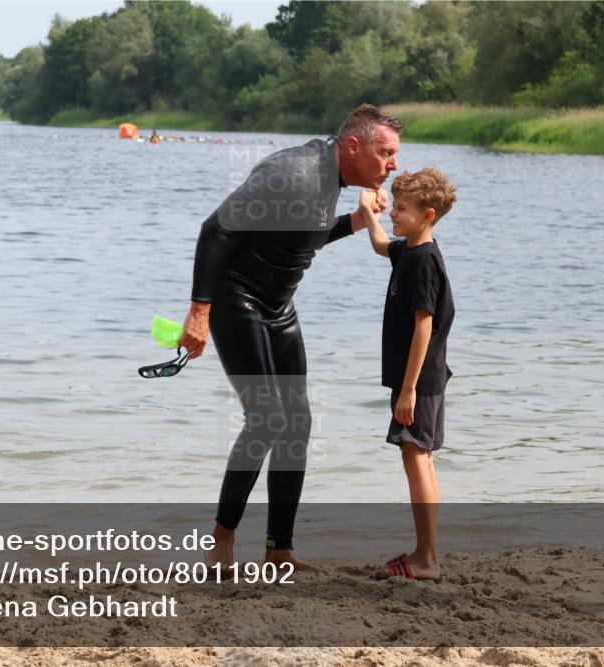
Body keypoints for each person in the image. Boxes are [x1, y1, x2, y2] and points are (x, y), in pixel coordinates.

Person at [179, 104, 402, 572]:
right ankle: (222, 541)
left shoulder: (331, 181)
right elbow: (214, 231)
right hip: (237, 299)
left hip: (279, 308)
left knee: (296, 425)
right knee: (265, 419)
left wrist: (355, 224)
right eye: (386, 153)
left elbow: (303, 235)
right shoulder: (294, 172)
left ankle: (279, 548)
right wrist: (200, 311)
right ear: (354, 146)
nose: (393, 164)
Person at [359, 169, 456, 581]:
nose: (395, 214)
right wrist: (369, 214)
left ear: (427, 214)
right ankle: (426, 553)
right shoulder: (410, 251)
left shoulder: (424, 262)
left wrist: (408, 389)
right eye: (394, 207)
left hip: (420, 380)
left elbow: (424, 326)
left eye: (402, 209)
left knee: (416, 458)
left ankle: (426, 559)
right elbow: (383, 245)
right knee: (421, 458)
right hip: (421, 379)